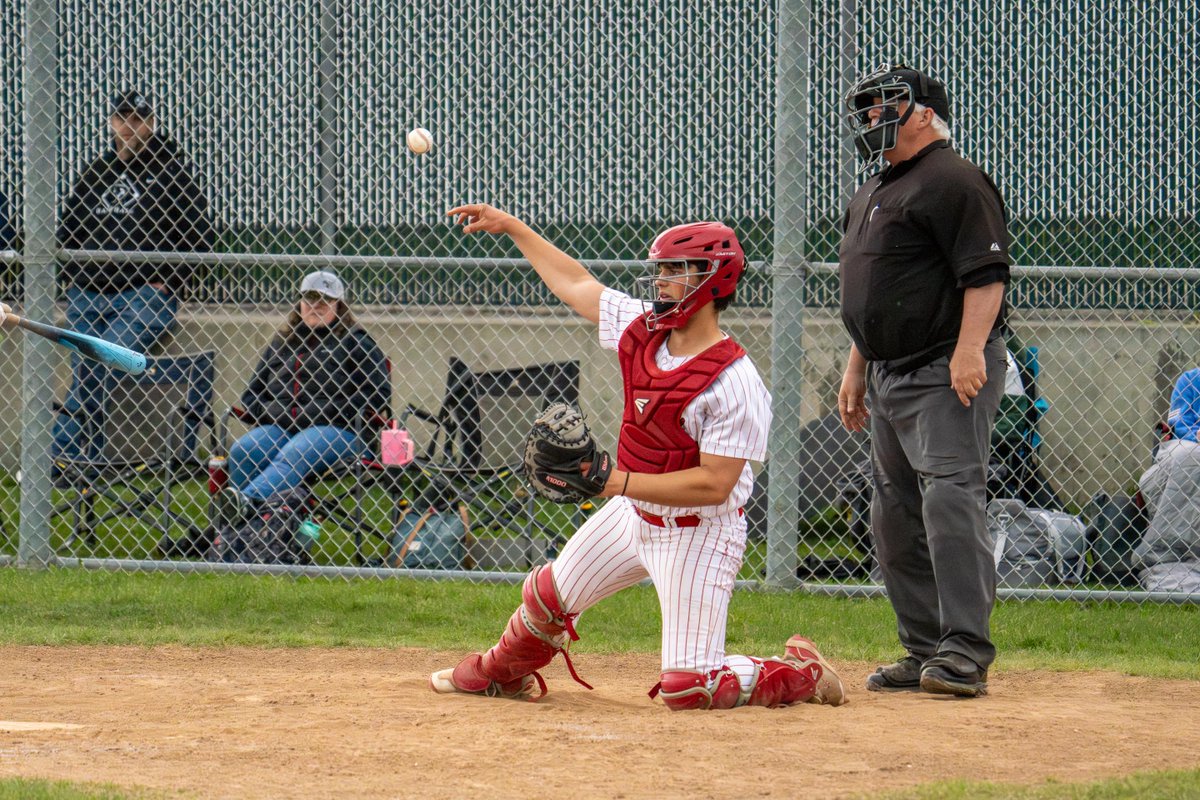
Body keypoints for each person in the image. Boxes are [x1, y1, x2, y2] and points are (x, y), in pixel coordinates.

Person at [429, 204, 847, 710]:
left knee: (691, 689)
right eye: (661, 269)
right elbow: (578, 285)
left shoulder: (734, 380)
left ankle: (801, 672)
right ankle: (501, 672)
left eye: (677, 270)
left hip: (700, 532)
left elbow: (715, 484)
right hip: (633, 514)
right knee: (546, 599)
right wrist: (514, 227)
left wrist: (616, 482)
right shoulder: (644, 328)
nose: (662, 281)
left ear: (714, 280)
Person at [836, 63, 1011, 698]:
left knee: (950, 501)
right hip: (886, 373)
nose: (873, 118)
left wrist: (970, 352)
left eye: (887, 106)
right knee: (894, 513)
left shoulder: (954, 180)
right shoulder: (874, 189)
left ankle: (964, 650)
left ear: (925, 113)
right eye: (869, 108)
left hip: (943, 369)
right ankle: (924, 647)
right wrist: (857, 368)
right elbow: (871, 289)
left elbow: (984, 275)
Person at [53, 90, 215, 466]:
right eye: (122, 118)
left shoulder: (171, 171)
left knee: (98, 362)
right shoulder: (99, 171)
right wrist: (73, 277)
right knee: (88, 369)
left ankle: (61, 453)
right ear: (112, 122)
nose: (130, 126)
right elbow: (68, 231)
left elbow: (200, 235)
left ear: (152, 123)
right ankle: (83, 457)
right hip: (87, 293)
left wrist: (173, 282)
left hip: (142, 294)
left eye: (139, 119)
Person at [221, 270, 390, 518]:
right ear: (299, 303)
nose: (316, 307)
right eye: (310, 300)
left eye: (325, 301)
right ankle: (232, 535)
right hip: (282, 427)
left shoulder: (355, 340)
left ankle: (244, 506)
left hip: (341, 431)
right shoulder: (282, 343)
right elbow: (251, 396)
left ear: (339, 305)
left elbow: (379, 393)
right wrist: (274, 412)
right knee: (244, 449)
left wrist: (327, 411)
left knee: (296, 451)